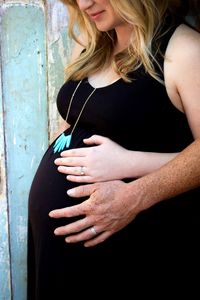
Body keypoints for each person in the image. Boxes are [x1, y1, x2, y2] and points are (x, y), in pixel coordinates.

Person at [28, 0, 200, 299]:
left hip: (129, 247)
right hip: (59, 252)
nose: (85, 4)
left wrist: (132, 185)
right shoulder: (92, 41)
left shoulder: (184, 51)